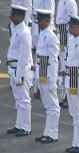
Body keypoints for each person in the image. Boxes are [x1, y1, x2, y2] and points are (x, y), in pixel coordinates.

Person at [63, 15, 79, 153]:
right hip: (70, 78)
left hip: (77, 81)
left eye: (72, 26)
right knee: (74, 113)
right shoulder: (71, 40)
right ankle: (76, 142)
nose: (69, 28)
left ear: (78, 27)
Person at [33, 9, 60, 144]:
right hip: (42, 75)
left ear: (48, 21)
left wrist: (50, 79)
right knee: (47, 106)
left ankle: (52, 134)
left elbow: (54, 60)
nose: (39, 23)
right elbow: (39, 60)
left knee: (53, 106)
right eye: (39, 21)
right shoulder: (42, 34)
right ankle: (47, 133)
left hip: (48, 76)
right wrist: (37, 82)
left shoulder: (51, 36)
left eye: (42, 20)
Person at [6, 5, 32, 137]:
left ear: (21, 17)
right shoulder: (16, 29)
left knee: (24, 99)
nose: (11, 16)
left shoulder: (24, 32)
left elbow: (24, 56)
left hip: (19, 69)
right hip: (13, 68)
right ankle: (19, 125)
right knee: (18, 99)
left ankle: (26, 127)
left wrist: (20, 75)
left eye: (14, 14)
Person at [54, 0, 76, 102]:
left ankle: (66, 95)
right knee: (61, 65)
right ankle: (62, 94)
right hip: (61, 33)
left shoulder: (70, 2)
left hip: (65, 35)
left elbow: (72, 22)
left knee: (65, 65)